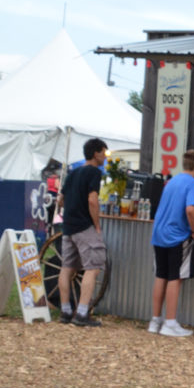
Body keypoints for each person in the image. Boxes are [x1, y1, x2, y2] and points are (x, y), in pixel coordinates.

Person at [149, 151, 194, 338]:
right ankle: (170, 322)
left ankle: (155, 320)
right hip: (176, 235)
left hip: (158, 233)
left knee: (161, 275)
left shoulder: (171, 181)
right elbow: (190, 209)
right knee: (175, 278)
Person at [56, 138, 108, 327]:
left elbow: (60, 200)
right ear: (96, 153)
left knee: (67, 267)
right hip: (84, 226)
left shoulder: (73, 172)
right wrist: (96, 224)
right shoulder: (94, 172)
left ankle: (65, 310)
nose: (104, 156)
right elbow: (92, 200)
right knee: (92, 268)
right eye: (103, 152)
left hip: (68, 227)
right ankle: (82, 312)